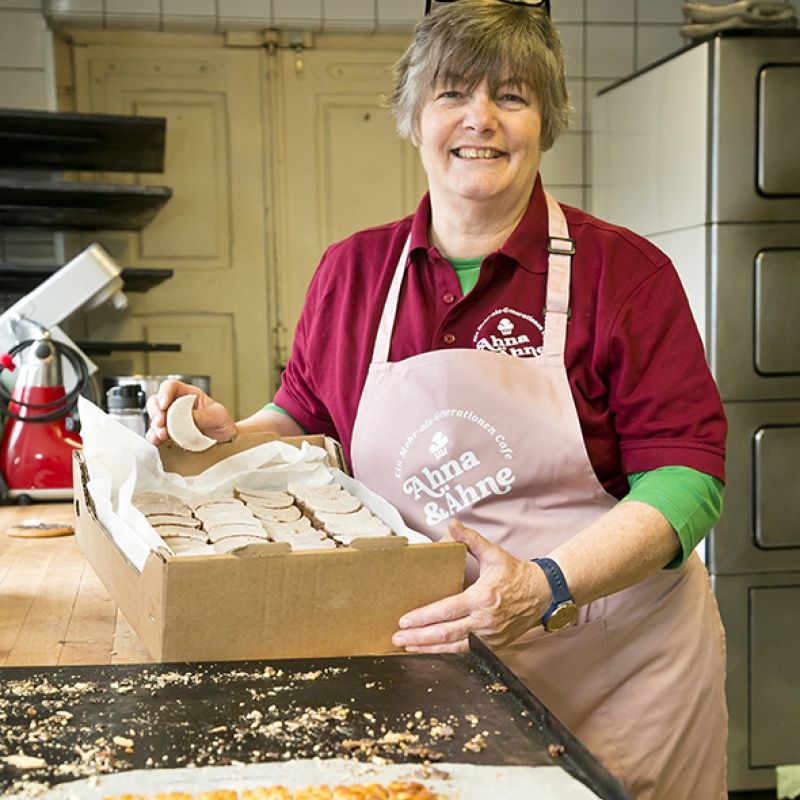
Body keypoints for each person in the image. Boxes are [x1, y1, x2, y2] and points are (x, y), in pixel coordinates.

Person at [146, 1, 728, 797]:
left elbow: (688, 480)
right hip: (431, 659)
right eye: (453, 91)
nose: (479, 119)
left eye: (512, 96)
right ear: (414, 116)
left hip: (617, 667)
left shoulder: (624, 276)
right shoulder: (352, 273)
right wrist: (224, 435)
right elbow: (306, 418)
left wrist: (547, 585)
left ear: (546, 121)